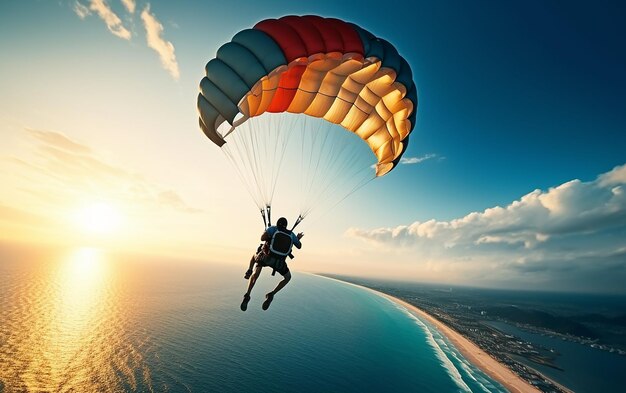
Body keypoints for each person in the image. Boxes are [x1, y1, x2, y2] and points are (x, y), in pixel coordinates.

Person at [240, 217, 303, 311]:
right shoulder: (291, 234)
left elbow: (262, 238)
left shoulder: (273, 229)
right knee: (288, 277)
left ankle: (248, 292)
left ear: (278, 223)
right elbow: (299, 246)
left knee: (255, 260)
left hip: (266, 258)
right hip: (279, 263)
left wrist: (267, 233)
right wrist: (296, 239)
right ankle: (272, 294)